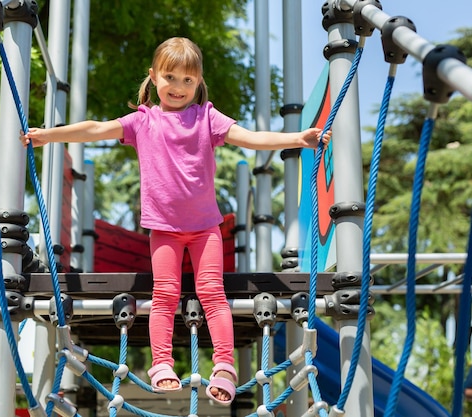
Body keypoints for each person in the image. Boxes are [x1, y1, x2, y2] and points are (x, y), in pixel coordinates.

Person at [20, 37, 331, 406]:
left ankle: (225, 367)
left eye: (188, 80)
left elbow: (250, 138)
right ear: (153, 77)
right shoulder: (142, 121)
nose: (179, 87)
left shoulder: (207, 118)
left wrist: (297, 137)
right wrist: (48, 136)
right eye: (170, 77)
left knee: (214, 294)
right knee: (164, 296)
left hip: (205, 229)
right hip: (164, 229)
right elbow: (94, 129)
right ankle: (162, 364)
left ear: (198, 82)